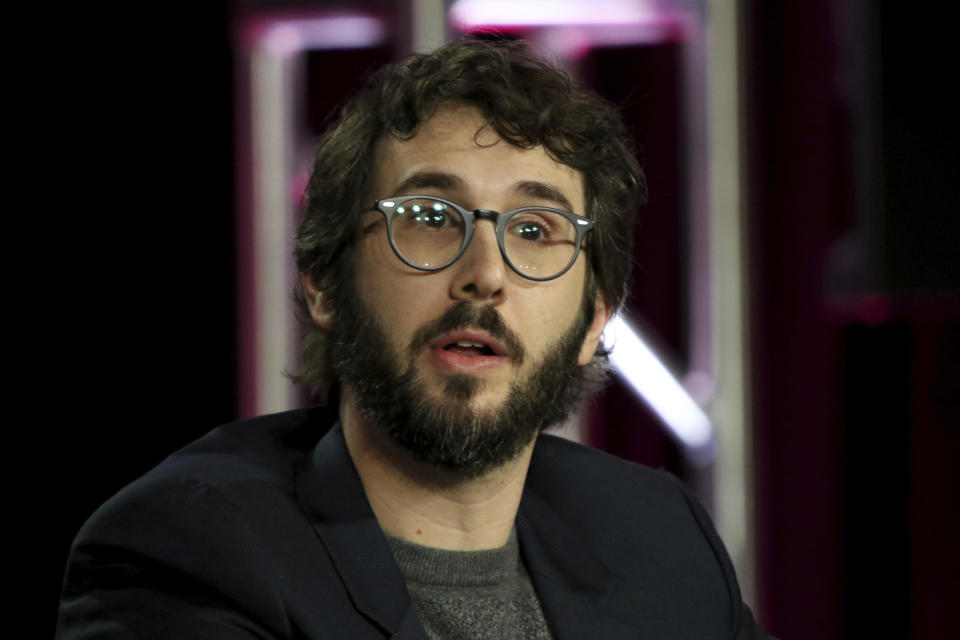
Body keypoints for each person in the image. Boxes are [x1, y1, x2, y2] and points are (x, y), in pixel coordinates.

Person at [57, 37, 772, 639]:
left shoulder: (662, 539)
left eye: (534, 230)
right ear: (325, 284)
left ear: (593, 321)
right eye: (430, 217)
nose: (485, 274)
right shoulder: (195, 552)